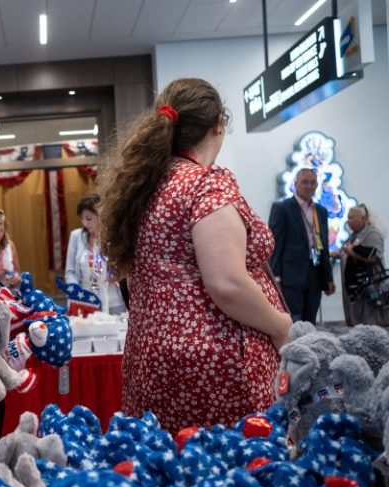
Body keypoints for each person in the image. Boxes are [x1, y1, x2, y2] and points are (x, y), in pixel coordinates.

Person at [97, 78, 292, 433]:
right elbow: (227, 283)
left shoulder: (142, 186)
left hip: (151, 357)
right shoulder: (205, 183)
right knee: (233, 461)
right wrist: (281, 328)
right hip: (214, 361)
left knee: (168, 459)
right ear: (218, 126)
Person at [269, 168, 336, 324]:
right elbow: (275, 244)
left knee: (310, 320)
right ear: (295, 184)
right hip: (291, 275)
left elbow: (324, 246)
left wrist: (328, 278)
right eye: (305, 182)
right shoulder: (282, 208)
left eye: (313, 183)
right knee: (293, 321)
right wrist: (275, 277)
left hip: (315, 273)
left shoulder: (320, 211)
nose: (309, 186)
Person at [65, 194, 125, 314]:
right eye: (82, 218)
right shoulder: (76, 236)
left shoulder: (115, 237)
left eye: (88, 219)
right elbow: (70, 272)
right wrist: (76, 292)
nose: (84, 223)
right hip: (86, 300)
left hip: (113, 300)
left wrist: (115, 275)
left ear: (101, 216)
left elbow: (123, 268)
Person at [338, 204, 389, 326]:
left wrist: (352, 253)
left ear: (362, 218)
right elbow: (347, 252)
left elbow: (374, 257)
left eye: (351, 217)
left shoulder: (372, 234)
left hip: (370, 287)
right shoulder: (353, 235)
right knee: (358, 323)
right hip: (356, 287)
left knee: (371, 324)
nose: (348, 221)